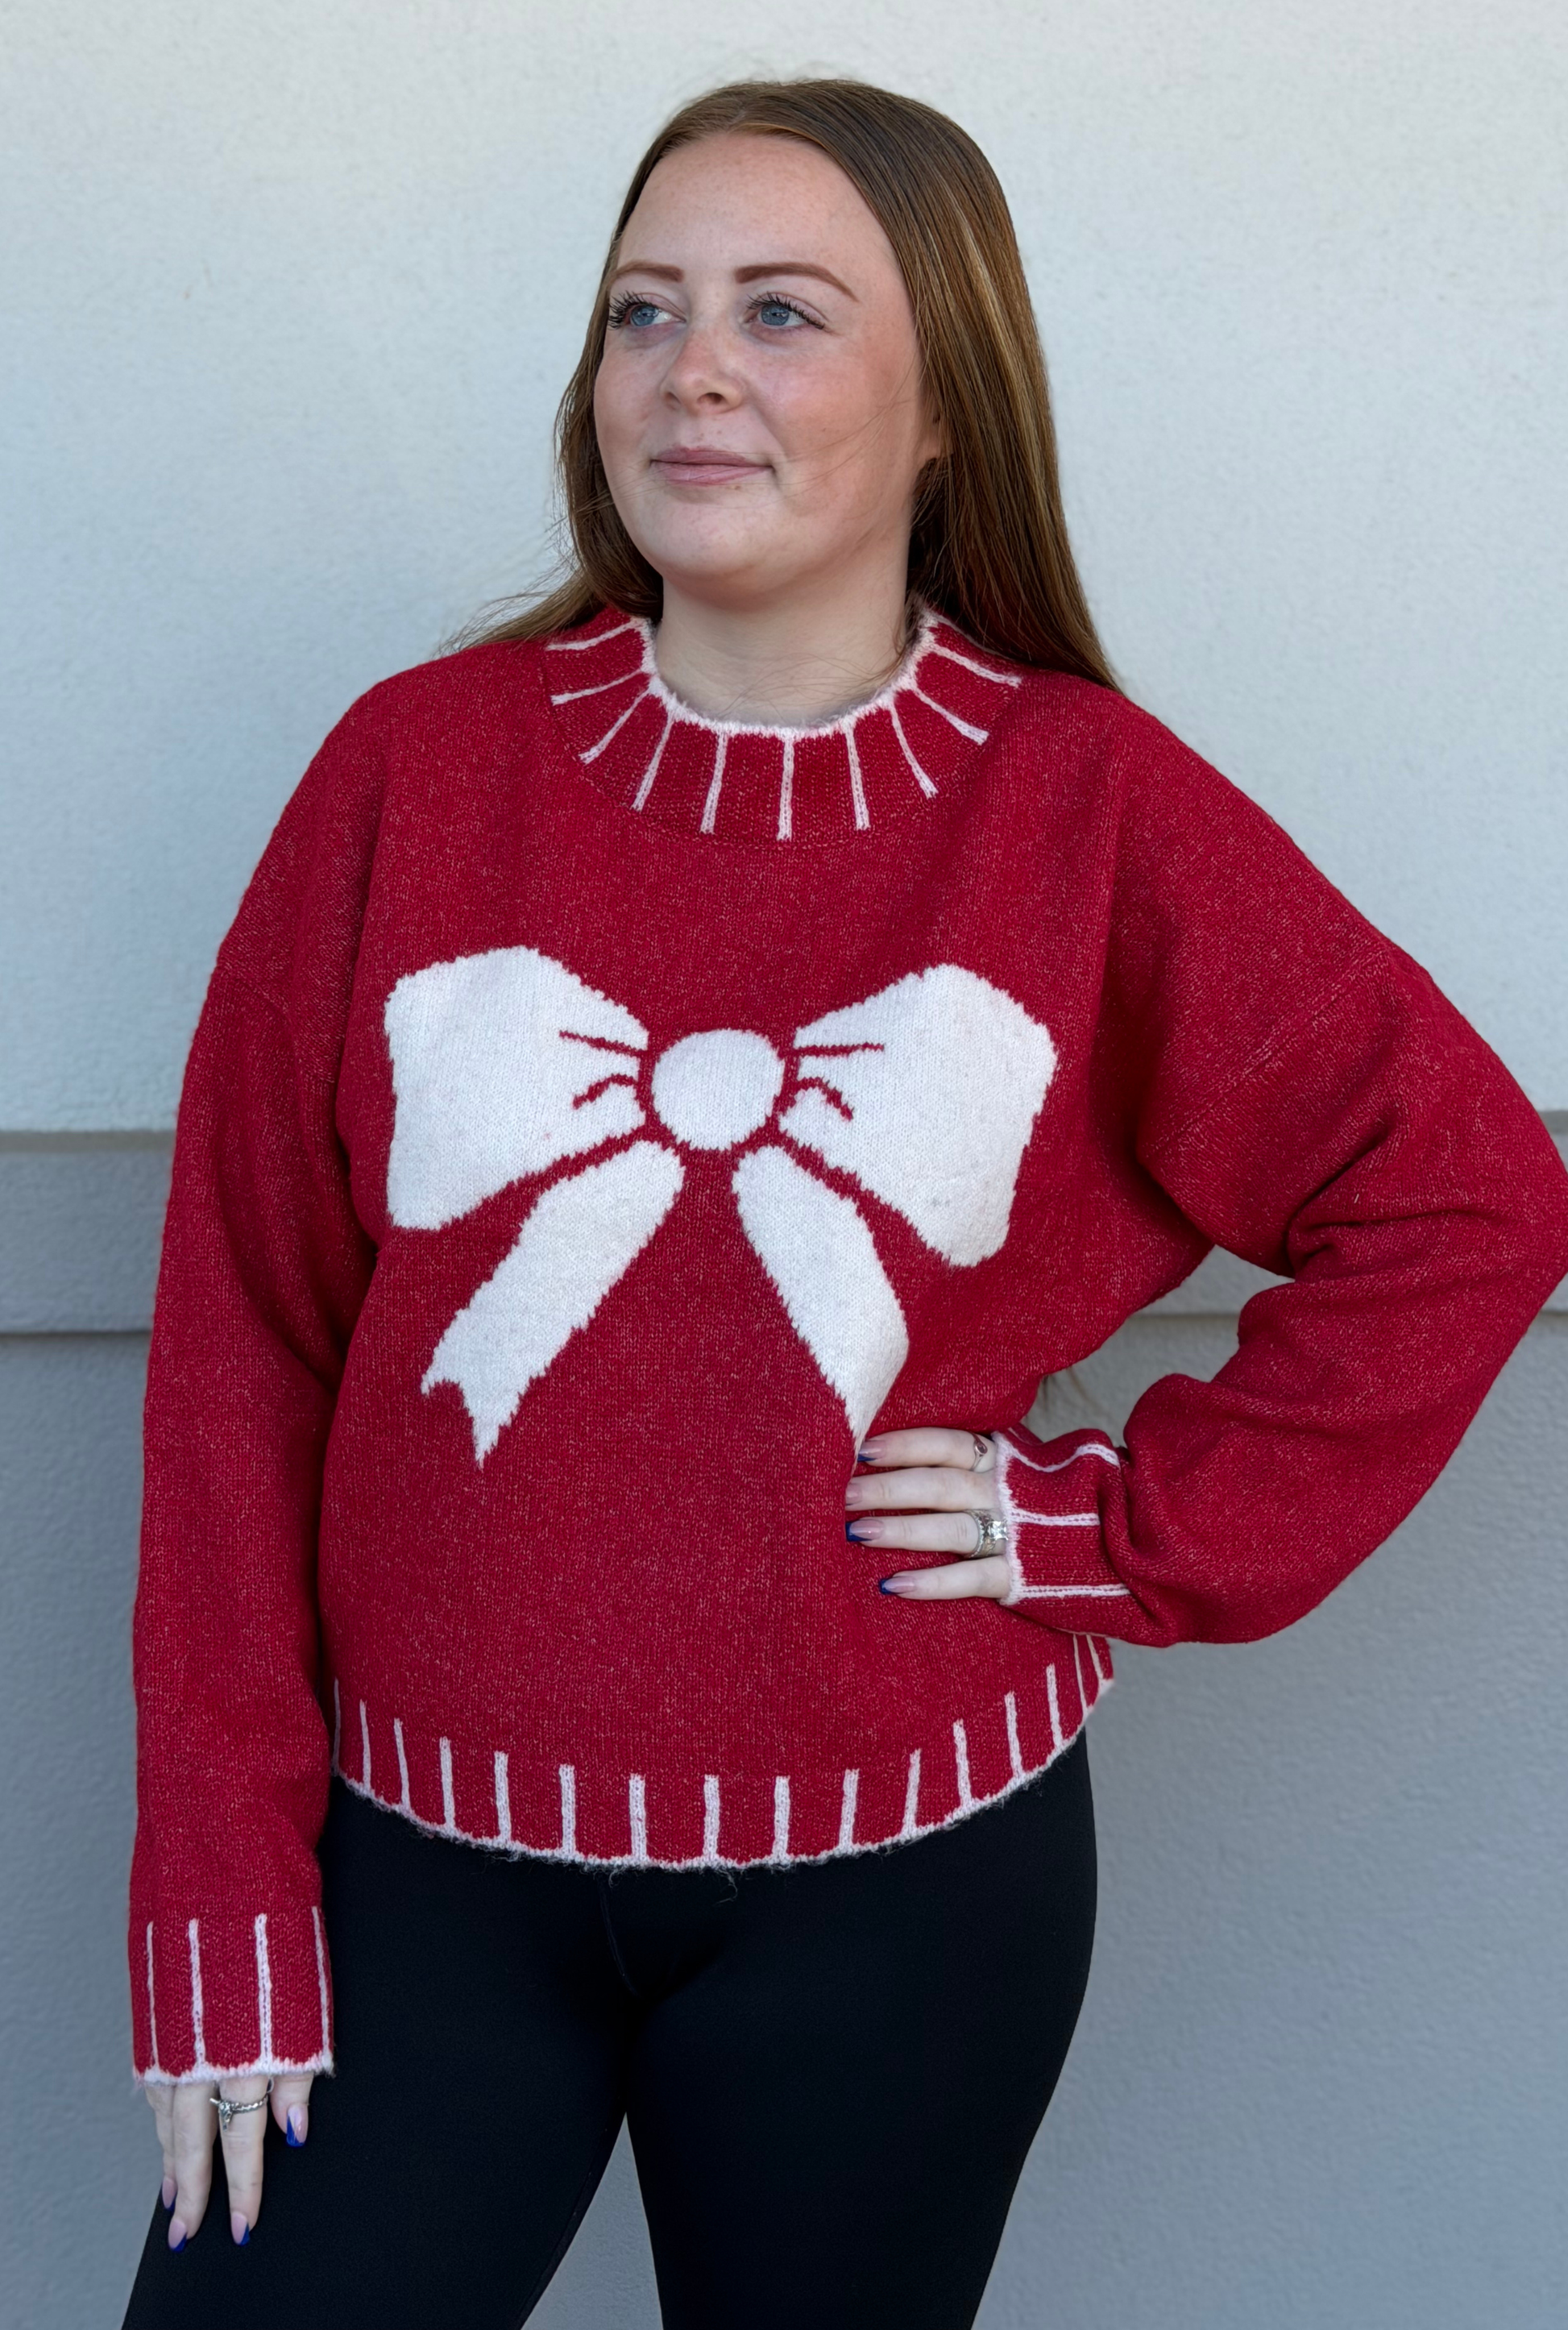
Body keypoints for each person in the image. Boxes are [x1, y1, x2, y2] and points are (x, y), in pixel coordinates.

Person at [121, 76, 1568, 2330]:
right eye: (643, 311)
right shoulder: (415, 772)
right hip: (415, 1866)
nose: (692, 368)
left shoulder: (1086, 810)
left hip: (907, 1892)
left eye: (782, 313)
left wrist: (1118, 1525)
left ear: (945, 409)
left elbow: (1466, 1194)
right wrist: (217, 1858)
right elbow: (245, 1332)